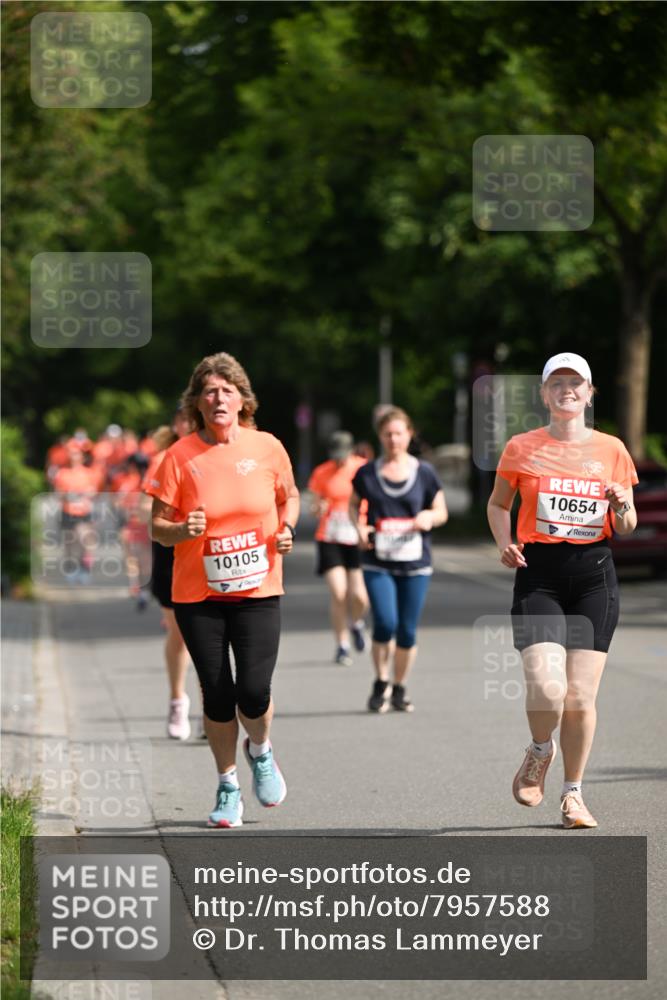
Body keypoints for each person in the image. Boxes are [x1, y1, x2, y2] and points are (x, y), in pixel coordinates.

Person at [148, 352, 300, 828]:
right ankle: (228, 784)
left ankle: (261, 749)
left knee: (253, 691)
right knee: (216, 694)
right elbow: (156, 527)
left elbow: (289, 496)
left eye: (227, 391)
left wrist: (288, 528)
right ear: (197, 402)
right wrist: (182, 530)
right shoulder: (179, 456)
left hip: (259, 590)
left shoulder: (268, 447)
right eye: (209, 391)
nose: (218, 399)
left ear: (242, 400)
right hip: (198, 595)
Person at [487, 353, 638, 829]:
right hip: (540, 577)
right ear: (544, 393)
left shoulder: (612, 449)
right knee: (547, 688)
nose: (566, 389)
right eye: (557, 382)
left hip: (594, 579)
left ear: (590, 394)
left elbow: (627, 525)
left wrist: (621, 505)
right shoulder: (521, 447)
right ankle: (539, 750)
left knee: (579, 697)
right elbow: (498, 504)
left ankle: (573, 794)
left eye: (576, 383)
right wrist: (505, 543)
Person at [350, 407, 448, 713]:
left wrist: (429, 517)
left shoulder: (425, 473)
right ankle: (381, 681)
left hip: (415, 563)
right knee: (385, 622)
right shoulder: (367, 473)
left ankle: (400, 687)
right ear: (380, 436)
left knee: (406, 630)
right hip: (378, 561)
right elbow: (353, 505)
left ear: (409, 435)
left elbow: (441, 511)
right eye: (387, 434)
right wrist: (359, 526)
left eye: (398, 433)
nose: (393, 439)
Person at [142, 411, 197, 739]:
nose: (188, 424)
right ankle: (178, 700)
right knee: (180, 633)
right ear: (176, 424)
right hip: (170, 550)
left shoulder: (216, 453)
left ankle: (214, 707)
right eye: (183, 419)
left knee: (211, 633)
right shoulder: (164, 459)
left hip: (207, 550)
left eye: (193, 418)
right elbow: (146, 507)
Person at [308, 431, 369, 666]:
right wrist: (319, 508)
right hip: (330, 537)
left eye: (342, 455)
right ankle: (342, 645)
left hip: (356, 536)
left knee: (359, 596)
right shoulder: (322, 472)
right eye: (335, 455)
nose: (339, 460)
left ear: (351, 451)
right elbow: (314, 507)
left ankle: (356, 623)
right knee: (339, 592)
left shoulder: (362, 468)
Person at [52, 447, 100, 583]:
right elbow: (58, 493)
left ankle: (84, 568)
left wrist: (86, 494)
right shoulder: (62, 473)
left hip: (83, 512)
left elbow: (94, 492)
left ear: (82, 457)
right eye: (72, 454)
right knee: (69, 542)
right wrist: (68, 495)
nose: (74, 456)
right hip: (68, 511)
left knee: (84, 539)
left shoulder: (89, 473)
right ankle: (71, 569)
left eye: (76, 454)